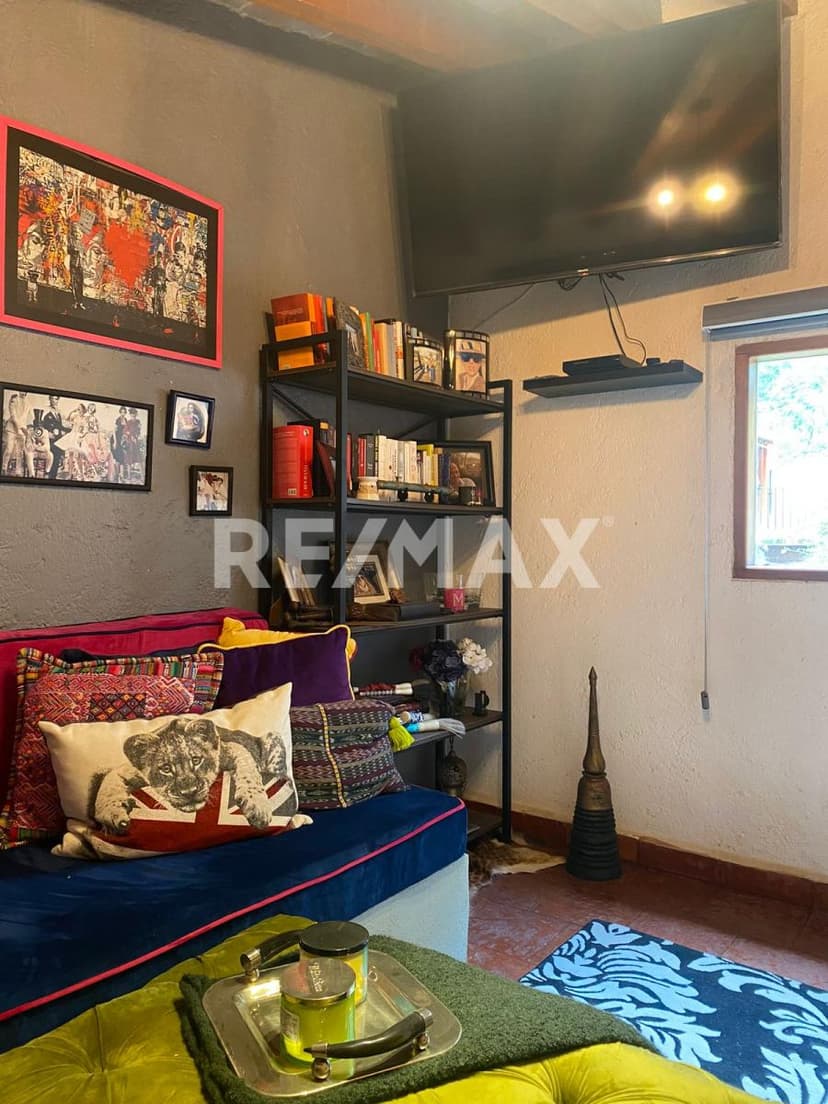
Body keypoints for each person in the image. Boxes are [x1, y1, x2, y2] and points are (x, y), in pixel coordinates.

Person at [42, 394, 68, 479]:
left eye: (56, 399)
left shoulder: (58, 413)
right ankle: (51, 476)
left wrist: (67, 431)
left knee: (57, 458)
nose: (54, 401)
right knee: (53, 456)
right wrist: (47, 433)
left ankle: (53, 476)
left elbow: (60, 426)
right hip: (49, 439)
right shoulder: (46, 411)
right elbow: (42, 424)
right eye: (52, 399)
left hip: (58, 439)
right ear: (49, 399)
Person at [67, 223, 86, 310]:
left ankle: (80, 302)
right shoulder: (71, 242)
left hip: (81, 265)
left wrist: (83, 256)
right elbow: (69, 251)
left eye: (79, 233)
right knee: (74, 283)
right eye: (76, 233)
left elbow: (84, 254)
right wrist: (74, 250)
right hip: (74, 264)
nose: (78, 235)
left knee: (80, 284)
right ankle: (74, 301)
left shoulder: (82, 244)